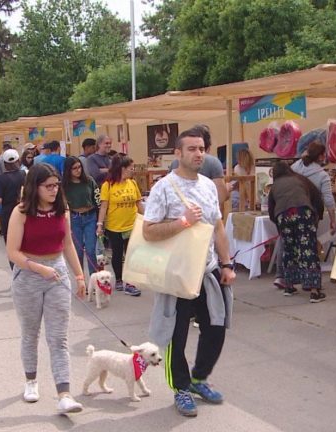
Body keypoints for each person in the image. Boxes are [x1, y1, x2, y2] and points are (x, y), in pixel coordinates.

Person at [142, 127, 236, 418]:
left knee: (216, 327)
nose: (198, 153)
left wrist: (227, 263)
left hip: (208, 271)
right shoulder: (163, 188)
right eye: (192, 149)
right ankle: (181, 388)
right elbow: (148, 231)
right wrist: (181, 222)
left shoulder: (209, 185)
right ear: (178, 153)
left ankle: (198, 378)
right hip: (177, 273)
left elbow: (218, 227)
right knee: (176, 334)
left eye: (201, 148)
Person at [5, 163, 87, 414]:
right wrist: (37, 268)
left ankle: (64, 393)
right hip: (29, 274)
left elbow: (68, 243)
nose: (54, 190)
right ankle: (31, 380)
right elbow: (12, 251)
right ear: (35, 187)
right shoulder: (21, 212)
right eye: (48, 186)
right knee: (31, 333)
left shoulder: (62, 210)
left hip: (57, 273)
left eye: (56, 185)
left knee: (58, 337)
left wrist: (80, 275)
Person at [272, 141, 336, 291]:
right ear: (321, 156)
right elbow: (327, 199)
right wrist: (332, 220)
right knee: (307, 248)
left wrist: (277, 222)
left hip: (284, 213)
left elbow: (272, 207)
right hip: (307, 212)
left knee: (287, 246)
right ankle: (312, 286)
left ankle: (284, 279)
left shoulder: (293, 170)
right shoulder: (322, 175)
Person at [267, 161, 325, 301]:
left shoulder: (274, 187)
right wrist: (318, 217)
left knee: (288, 249)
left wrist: (280, 225)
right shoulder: (300, 179)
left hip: (283, 216)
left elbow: (271, 210)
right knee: (308, 249)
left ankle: (289, 286)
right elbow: (317, 198)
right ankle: (314, 291)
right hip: (303, 212)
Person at [96, 155, 143, 296]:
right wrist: (100, 224)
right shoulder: (108, 185)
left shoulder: (133, 183)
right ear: (122, 169)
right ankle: (119, 280)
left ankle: (130, 282)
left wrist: (147, 219)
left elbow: (138, 203)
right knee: (117, 254)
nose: (132, 170)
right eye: (130, 168)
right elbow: (104, 207)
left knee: (131, 254)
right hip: (115, 226)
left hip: (132, 225)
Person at [169, 125, 228, 205]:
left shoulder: (175, 163)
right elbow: (221, 196)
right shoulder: (213, 162)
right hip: (204, 213)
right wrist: (227, 189)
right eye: (192, 149)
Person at [62, 156, 100, 275]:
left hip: (90, 216)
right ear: (68, 170)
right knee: (77, 251)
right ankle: (81, 279)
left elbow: (97, 199)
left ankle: (94, 278)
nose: (78, 170)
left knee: (90, 250)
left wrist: (101, 222)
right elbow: (63, 205)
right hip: (74, 218)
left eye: (79, 167)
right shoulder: (64, 185)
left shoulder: (89, 180)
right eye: (74, 168)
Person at [0, 149, 26, 262]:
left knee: (10, 244)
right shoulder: (24, 174)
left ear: (4, 164)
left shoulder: (1, 179)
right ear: (18, 160)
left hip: (8, 213)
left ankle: (14, 268)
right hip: (24, 210)